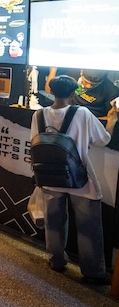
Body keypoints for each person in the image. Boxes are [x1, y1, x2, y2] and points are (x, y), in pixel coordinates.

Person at [31, 75, 114, 284]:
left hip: (49, 176)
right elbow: (103, 140)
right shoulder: (82, 113)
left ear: (52, 90)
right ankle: (93, 272)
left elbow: (35, 142)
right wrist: (112, 121)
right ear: (73, 93)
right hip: (79, 178)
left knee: (54, 222)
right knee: (89, 225)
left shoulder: (39, 115)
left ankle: (56, 261)